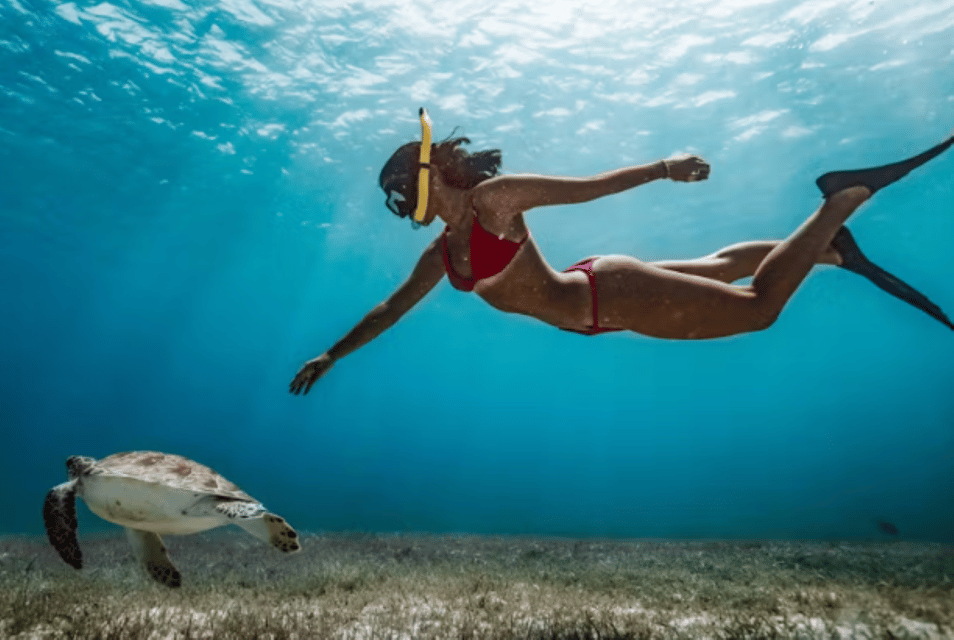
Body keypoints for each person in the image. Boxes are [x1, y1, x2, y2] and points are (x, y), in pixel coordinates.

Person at [290, 110, 953, 395]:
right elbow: (389, 308)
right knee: (723, 268)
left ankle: (840, 201)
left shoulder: (496, 200)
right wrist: (333, 353)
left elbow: (590, 189)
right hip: (600, 288)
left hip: (611, 296)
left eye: (401, 195)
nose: (402, 210)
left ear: (424, 183)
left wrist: (664, 167)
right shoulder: (443, 254)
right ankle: (830, 254)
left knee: (756, 310)